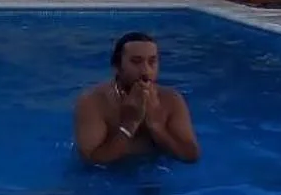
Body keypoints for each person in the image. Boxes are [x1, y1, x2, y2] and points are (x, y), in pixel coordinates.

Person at [74, 32, 200, 166]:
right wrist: (129, 124)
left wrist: (156, 126)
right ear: (117, 66)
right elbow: (90, 161)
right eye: (136, 62)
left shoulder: (171, 100)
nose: (146, 71)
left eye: (152, 62)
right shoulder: (93, 102)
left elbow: (191, 156)